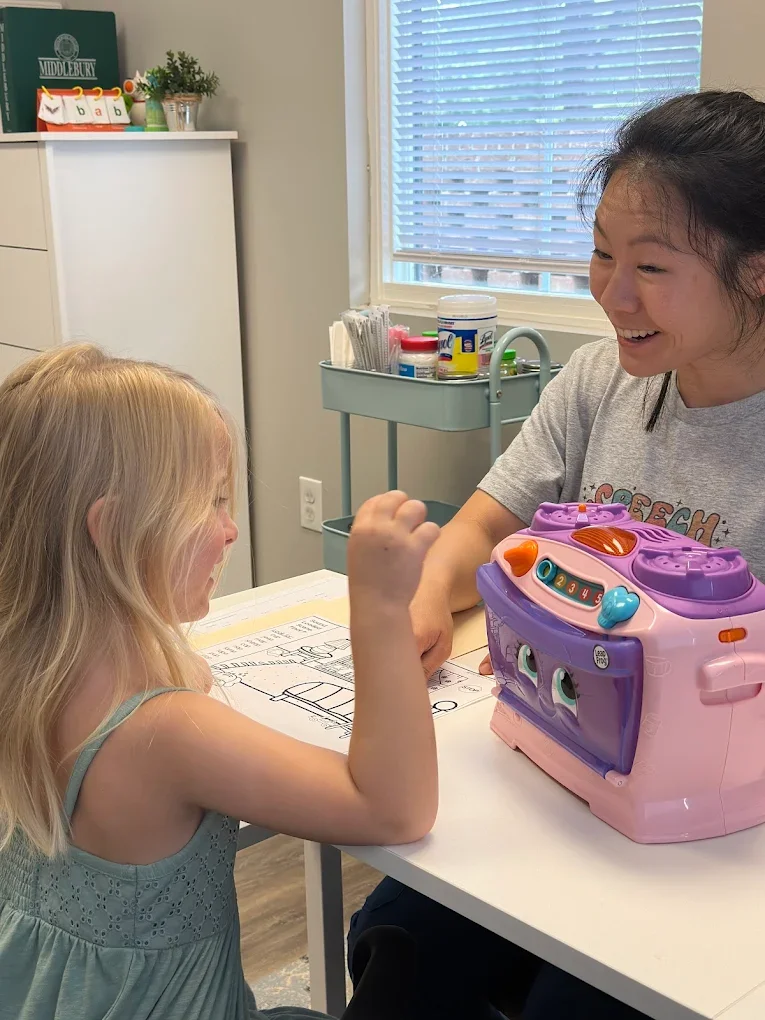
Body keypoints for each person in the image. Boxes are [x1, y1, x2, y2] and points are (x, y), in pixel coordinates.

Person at [349, 88, 765, 1019]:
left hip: (710, 836)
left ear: (757, 272)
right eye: (601, 254)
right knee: (397, 940)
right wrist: (428, 598)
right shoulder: (601, 378)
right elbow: (487, 525)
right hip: (555, 770)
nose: (611, 294)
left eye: (650, 267)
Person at [0, 344, 440, 1020]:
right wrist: (378, 611)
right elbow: (395, 809)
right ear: (115, 532)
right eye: (208, 503)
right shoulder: (164, 732)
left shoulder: (30, 671)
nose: (231, 529)